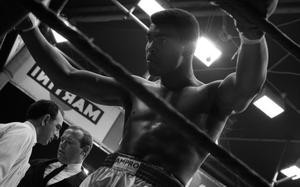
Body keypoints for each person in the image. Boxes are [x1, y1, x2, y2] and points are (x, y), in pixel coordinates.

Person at [18, 1, 277, 186]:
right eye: (149, 39)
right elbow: (67, 77)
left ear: (188, 47)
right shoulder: (138, 88)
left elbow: (247, 85)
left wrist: (251, 34)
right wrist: (26, 25)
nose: (150, 48)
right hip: (106, 175)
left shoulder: (211, 96)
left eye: (161, 40)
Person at [0, 99, 63, 187]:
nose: (57, 135)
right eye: (57, 127)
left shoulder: (26, 136)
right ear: (46, 119)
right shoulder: (24, 133)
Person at [18, 125, 93, 187]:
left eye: (69, 142)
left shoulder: (83, 184)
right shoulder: (36, 163)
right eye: (62, 140)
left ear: (85, 150)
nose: (62, 145)